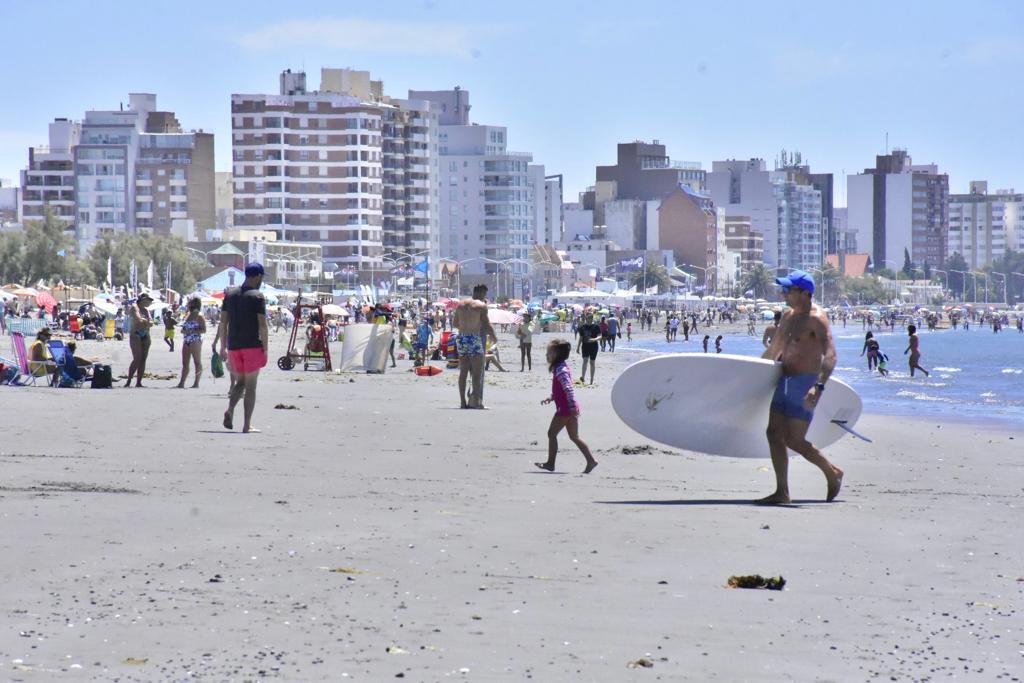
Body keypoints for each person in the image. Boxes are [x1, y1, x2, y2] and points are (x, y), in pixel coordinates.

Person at [759, 270, 843, 504]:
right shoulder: (787, 316)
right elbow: (775, 349)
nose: (784, 293)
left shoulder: (817, 319)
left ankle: (832, 472)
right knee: (774, 434)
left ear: (805, 294)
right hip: (783, 380)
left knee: (794, 440)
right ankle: (782, 492)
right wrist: (754, 374)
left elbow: (831, 355)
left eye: (789, 290)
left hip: (804, 383)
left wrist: (818, 387)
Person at [215, 263, 269, 433]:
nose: (261, 281)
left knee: (240, 382)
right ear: (257, 276)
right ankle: (247, 425)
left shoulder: (230, 295)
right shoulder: (257, 296)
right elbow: (263, 325)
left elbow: (223, 322)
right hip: (252, 345)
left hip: (234, 346)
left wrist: (223, 346)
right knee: (251, 386)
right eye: (261, 277)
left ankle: (230, 410)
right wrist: (266, 348)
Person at [534, 339, 598, 474]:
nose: (547, 355)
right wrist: (551, 397)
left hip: (566, 409)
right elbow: (560, 390)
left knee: (551, 434)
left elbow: (568, 389)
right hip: (570, 407)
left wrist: (571, 406)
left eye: (549, 353)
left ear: (557, 354)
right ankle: (591, 461)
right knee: (574, 437)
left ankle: (550, 463)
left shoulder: (561, 370)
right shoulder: (560, 367)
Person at [452, 284, 497, 409]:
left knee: (463, 372)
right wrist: (493, 336)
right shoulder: (481, 306)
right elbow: (487, 324)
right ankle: (476, 402)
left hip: (461, 338)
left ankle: (462, 402)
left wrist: (465, 327)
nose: (484, 297)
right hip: (474, 338)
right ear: (480, 293)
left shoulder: (460, 304)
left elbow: (455, 323)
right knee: (477, 374)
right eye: (484, 294)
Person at [175, 297, 207, 389]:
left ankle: (196, 383)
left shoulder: (199, 316)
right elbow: (183, 328)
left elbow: (204, 330)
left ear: (194, 304)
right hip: (186, 339)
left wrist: (192, 331)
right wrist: (184, 331)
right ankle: (182, 383)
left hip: (195, 340)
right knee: (185, 363)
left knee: (197, 362)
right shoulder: (189, 315)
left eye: (190, 303)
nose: (188, 305)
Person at [124, 293, 154, 388]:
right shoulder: (135, 307)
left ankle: (139, 382)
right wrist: (146, 322)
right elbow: (138, 320)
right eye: (147, 300)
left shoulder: (146, 310)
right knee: (137, 359)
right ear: (142, 300)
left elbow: (151, 323)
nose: (149, 302)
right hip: (136, 334)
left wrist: (145, 322)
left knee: (143, 359)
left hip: (145, 334)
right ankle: (129, 381)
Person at [575, 311, 601, 385]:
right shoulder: (583, 327)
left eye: (589, 318)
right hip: (585, 346)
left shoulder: (596, 326)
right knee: (585, 360)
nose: (588, 319)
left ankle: (591, 380)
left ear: (592, 318)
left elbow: (600, 336)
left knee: (592, 362)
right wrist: (578, 347)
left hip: (594, 347)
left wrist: (594, 339)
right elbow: (581, 337)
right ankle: (583, 377)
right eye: (587, 318)